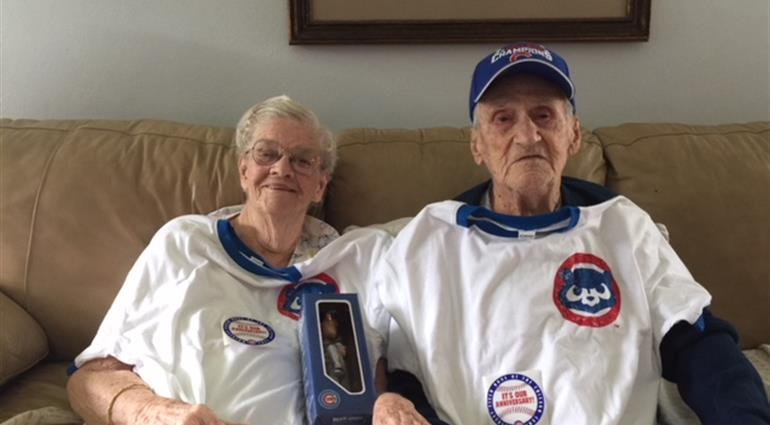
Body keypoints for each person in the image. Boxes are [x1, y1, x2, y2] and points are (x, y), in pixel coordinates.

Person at [368, 43, 770, 424]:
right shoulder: (430, 240)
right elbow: (406, 377)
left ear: (573, 134)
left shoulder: (621, 226)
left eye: (544, 115)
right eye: (503, 119)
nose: (527, 136)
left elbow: (700, 345)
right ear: (477, 145)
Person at [66, 95, 356, 425]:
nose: (282, 169)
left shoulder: (344, 261)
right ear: (244, 169)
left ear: (321, 185)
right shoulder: (185, 243)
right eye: (267, 153)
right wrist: (152, 414)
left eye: (303, 160)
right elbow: (89, 379)